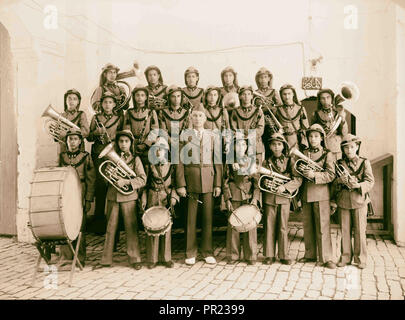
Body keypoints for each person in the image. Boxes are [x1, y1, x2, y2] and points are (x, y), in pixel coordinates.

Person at [176, 104, 222, 265]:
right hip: (191, 180)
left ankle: (207, 251)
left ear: (205, 118)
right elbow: (180, 161)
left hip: (209, 179)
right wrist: (181, 184)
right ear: (190, 118)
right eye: (194, 116)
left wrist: (218, 184)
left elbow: (218, 161)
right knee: (191, 218)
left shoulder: (212, 135)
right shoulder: (184, 135)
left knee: (208, 217)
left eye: (200, 116)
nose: (197, 119)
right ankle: (190, 252)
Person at [96, 130, 147, 270]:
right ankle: (106, 259)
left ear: (131, 143)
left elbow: (143, 179)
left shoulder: (135, 159)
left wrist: (126, 181)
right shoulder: (111, 158)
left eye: (126, 141)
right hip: (113, 197)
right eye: (121, 141)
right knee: (110, 228)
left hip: (129, 197)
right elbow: (105, 178)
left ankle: (135, 258)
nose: (123, 144)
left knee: (131, 228)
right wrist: (110, 175)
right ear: (117, 143)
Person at [331, 134, 374, 269]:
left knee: (360, 231)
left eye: (352, 147)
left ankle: (361, 258)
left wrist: (359, 185)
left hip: (359, 201)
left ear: (357, 147)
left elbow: (370, 181)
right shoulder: (339, 164)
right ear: (343, 150)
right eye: (346, 148)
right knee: (344, 230)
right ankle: (345, 257)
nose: (349, 150)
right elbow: (333, 183)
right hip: (343, 201)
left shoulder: (364, 162)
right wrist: (339, 181)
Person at [297, 124, 336, 269]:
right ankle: (310, 254)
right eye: (311, 136)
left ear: (321, 138)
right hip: (306, 193)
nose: (313, 139)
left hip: (321, 194)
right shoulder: (304, 153)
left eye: (316, 136)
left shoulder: (328, 154)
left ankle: (326, 258)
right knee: (308, 226)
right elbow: (298, 171)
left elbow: (331, 175)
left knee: (323, 226)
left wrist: (314, 175)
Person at [261, 133, 302, 265]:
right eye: (273, 145)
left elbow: (298, 179)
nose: (276, 147)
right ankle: (269, 255)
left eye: (279, 144)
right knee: (269, 226)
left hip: (284, 197)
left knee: (283, 227)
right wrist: (266, 183)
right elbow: (261, 180)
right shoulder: (266, 162)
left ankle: (284, 255)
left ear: (283, 146)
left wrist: (285, 187)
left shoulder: (290, 161)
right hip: (269, 198)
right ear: (270, 147)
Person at [57, 129, 96, 268]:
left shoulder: (86, 157)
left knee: (79, 224)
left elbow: (91, 180)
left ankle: (79, 257)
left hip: (81, 191)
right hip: (67, 193)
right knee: (65, 223)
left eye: (75, 139)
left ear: (80, 141)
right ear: (66, 142)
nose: (72, 142)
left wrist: (89, 199)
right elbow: (59, 176)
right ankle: (66, 256)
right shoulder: (62, 157)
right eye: (70, 139)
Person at [87, 92, 124, 234]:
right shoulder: (96, 118)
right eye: (105, 102)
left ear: (114, 104)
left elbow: (122, 135)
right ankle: (99, 222)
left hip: (113, 153)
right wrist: (96, 133)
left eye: (110, 102)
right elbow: (89, 137)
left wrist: (114, 140)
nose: (107, 105)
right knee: (100, 186)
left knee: (114, 184)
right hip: (99, 154)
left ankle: (116, 222)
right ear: (101, 104)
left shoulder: (119, 117)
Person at [141, 137, 179, 269]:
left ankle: (166, 258)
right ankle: (152, 258)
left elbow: (175, 185)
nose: (159, 152)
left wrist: (174, 197)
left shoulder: (172, 167)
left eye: (161, 150)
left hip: (165, 198)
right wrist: (144, 198)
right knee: (152, 227)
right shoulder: (149, 166)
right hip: (152, 197)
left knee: (166, 227)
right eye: (156, 149)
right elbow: (145, 186)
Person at [223, 136, 260, 265]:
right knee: (234, 224)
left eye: (243, 145)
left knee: (251, 225)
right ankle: (233, 255)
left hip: (248, 196)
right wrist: (227, 199)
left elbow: (257, 183)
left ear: (247, 147)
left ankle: (251, 256)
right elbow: (225, 182)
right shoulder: (229, 162)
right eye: (237, 145)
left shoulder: (252, 161)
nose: (240, 147)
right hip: (235, 196)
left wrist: (255, 198)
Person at [124, 85, 159, 174]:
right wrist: (132, 145)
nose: (140, 98)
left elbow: (154, 131)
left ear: (146, 97)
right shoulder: (129, 112)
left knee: (148, 170)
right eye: (137, 95)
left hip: (147, 146)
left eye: (142, 95)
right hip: (132, 146)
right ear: (134, 97)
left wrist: (145, 144)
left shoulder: (151, 112)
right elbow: (126, 130)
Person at [229, 85, 265, 165]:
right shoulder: (235, 111)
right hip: (240, 146)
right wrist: (241, 137)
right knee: (242, 173)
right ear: (240, 97)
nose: (246, 96)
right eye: (243, 94)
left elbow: (260, 128)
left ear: (252, 96)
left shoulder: (258, 111)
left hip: (255, 145)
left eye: (249, 94)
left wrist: (249, 136)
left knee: (255, 173)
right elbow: (233, 128)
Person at [311, 88, 348, 160]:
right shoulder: (315, 114)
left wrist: (343, 120)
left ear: (332, 99)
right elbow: (312, 132)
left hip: (336, 147)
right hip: (322, 146)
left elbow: (344, 133)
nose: (326, 101)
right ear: (319, 100)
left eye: (328, 97)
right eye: (323, 98)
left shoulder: (338, 113)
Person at [273, 84, 309, 150]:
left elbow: (305, 127)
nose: (287, 97)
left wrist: (304, 142)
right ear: (281, 95)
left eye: (289, 94)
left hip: (296, 140)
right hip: (282, 140)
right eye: (284, 94)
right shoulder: (277, 110)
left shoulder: (300, 109)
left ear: (293, 94)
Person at [57, 89, 89, 153]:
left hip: (79, 149)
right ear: (65, 101)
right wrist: (58, 134)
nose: (71, 101)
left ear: (78, 102)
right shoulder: (61, 116)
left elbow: (86, 132)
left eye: (75, 99)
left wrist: (67, 134)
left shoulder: (81, 114)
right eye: (69, 98)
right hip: (63, 149)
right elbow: (56, 135)